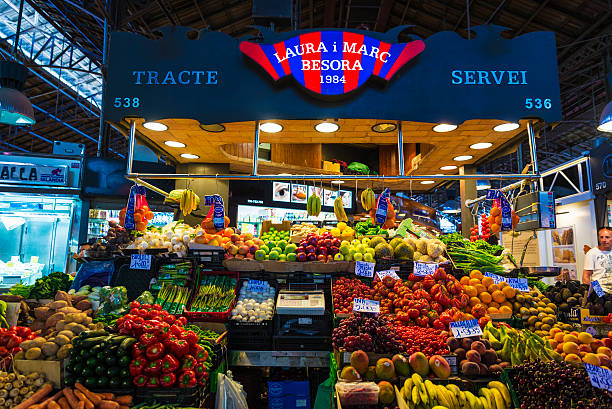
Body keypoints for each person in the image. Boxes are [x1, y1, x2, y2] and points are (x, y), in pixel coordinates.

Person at [582, 226, 612, 294]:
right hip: (600, 292)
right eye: (601, 237)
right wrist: (599, 294)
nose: (604, 240)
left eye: (607, 237)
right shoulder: (592, 253)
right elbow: (586, 276)